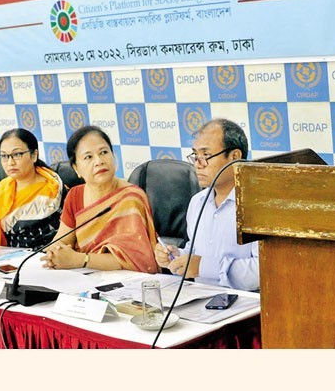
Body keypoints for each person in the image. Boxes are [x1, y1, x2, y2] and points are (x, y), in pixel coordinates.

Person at [155, 118, 260, 291]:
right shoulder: (198, 202)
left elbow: (261, 272)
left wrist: (203, 267)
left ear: (234, 157)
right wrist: (178, 256)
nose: (198, 164)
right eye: (195, 155)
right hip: (201, 299)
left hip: (247, 307)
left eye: (206, 156)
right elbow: (195, 252)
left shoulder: (258, 205)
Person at [41, 125, 158, 273]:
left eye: (104, 152)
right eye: (88, 157)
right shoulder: (75, 195)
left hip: (124, 281)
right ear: (76, 168)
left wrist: (80, 259)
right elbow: (61, 240)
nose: (99, 161)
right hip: (83, 278)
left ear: (113, 157)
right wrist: (55, 253)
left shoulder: (131, 197)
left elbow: (133, 258)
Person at [0, 128, 63, 248]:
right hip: (6, 256)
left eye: (17, 154)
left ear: (34, 155)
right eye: (4, 156)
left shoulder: (52, 190)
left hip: (45, 257)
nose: (10, 162)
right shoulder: (2, 188)